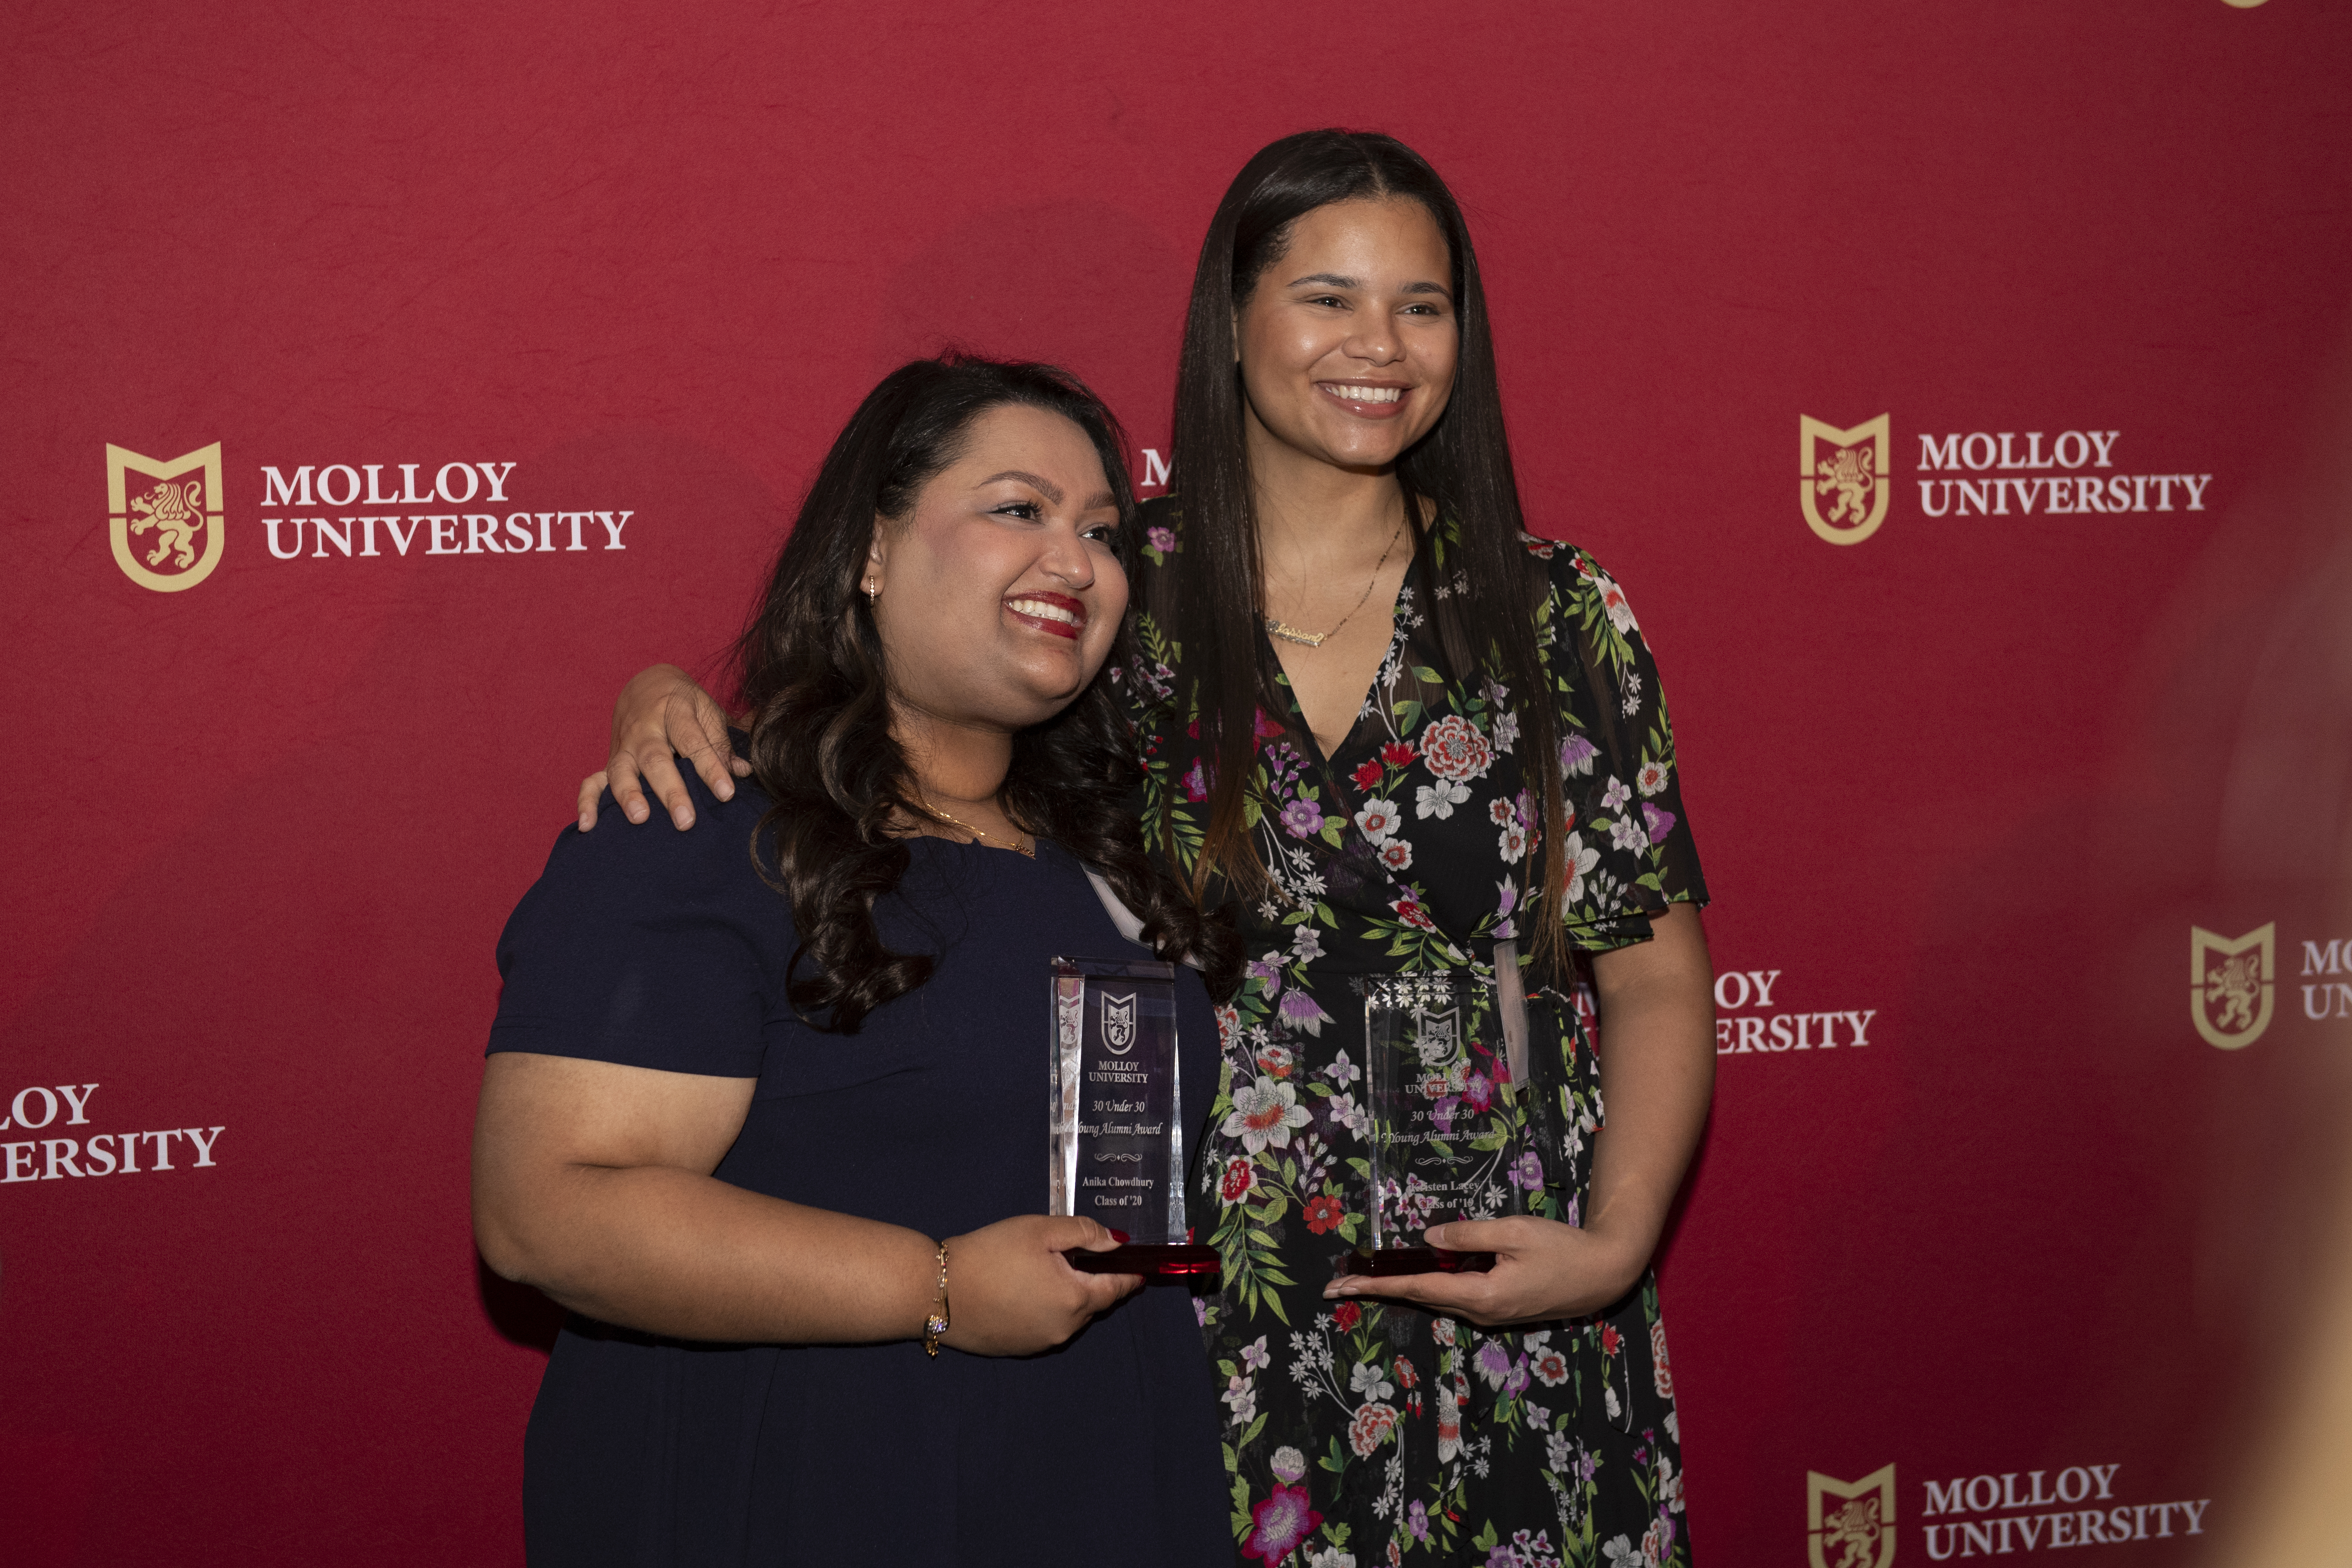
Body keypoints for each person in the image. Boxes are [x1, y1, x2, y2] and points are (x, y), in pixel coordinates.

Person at [582, 132, 1716, 1568]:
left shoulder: (1555, 610)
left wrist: (1613, 1251)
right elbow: (884, 718)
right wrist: (662, 697)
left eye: (1421, 306)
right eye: (1328, 297)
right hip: (1192, 1309)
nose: (1378, 345)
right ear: (1233, 320)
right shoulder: (1113, 585)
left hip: (1505, 1289)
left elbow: (1658, 975)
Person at [472, 357, 1243, 1567]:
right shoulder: (705, 829)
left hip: (1096, 1484)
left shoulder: (1111, 863)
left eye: (1102, 530)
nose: (1077, 559)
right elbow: (547, 1212)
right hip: (805, 1493)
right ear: (872, 552)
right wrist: (934, 1287)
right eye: (1016, 509)